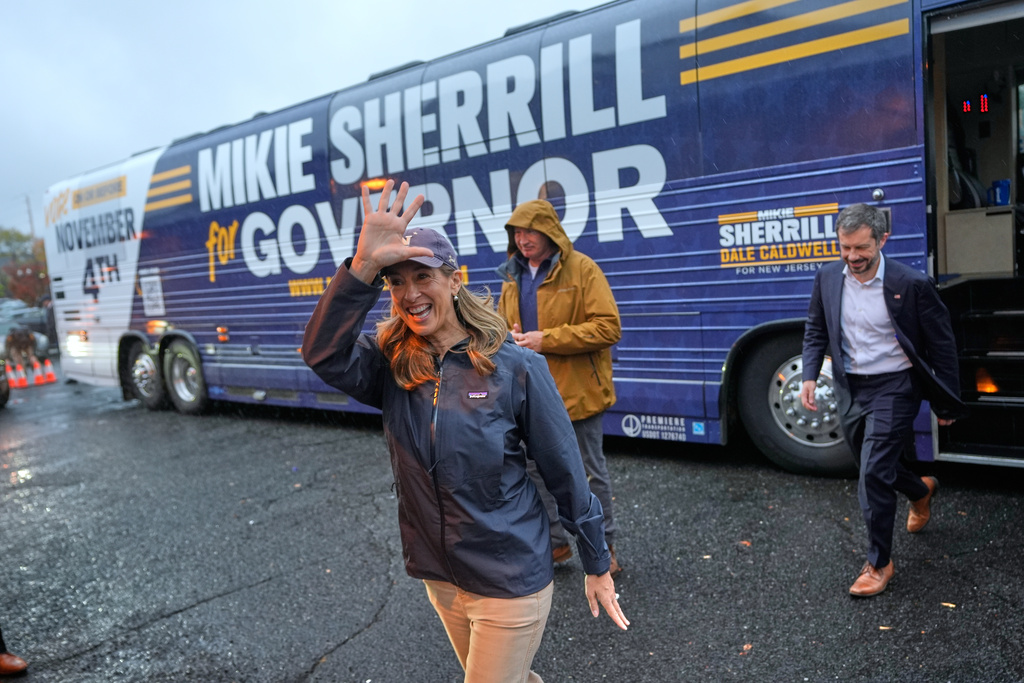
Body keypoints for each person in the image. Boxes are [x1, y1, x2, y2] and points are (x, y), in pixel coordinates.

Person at [302, 180, 628, 682]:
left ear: (453, 281)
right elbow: (322, 353)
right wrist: (363, 268)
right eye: (396, 282)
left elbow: (567, 471)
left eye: (423, 276)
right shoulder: (392, 366)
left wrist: (596, 562)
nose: (410, 294)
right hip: (443, 578)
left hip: (510, 576)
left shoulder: (515, 368)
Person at [800, 203, 965, 597]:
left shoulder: (911, 283)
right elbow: (815, 328)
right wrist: (808, 375)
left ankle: (879, 563)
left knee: (873, 472)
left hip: (895, 386)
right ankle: (920, 490)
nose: (853, 257)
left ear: (882, 240)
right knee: (876, 467)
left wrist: (947, 402)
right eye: (845, 248)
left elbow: (942, 344)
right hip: (850, 387)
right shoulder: (827, 277)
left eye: (862, 249)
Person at [496, 200, 623, 575]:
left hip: (577, 393)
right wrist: (509, 337)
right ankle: (556, 546)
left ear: (549, 232)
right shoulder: (512, 275)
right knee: (533, 471)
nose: (522, 240)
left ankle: (604, 548)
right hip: (528, 392)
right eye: (517, 233)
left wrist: (544, 339)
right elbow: (503, 328)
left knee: (587, 474)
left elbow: (608, 327)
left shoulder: (582, 269)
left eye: (530, 231)